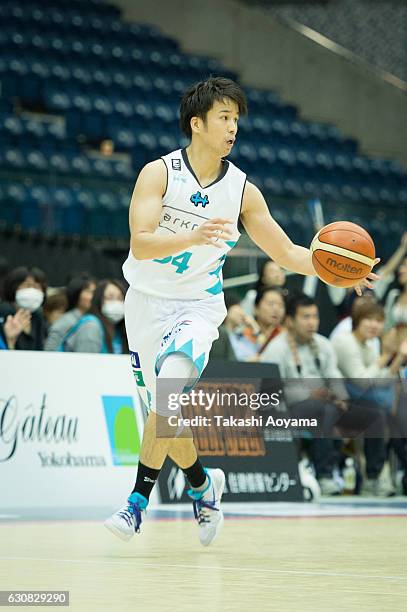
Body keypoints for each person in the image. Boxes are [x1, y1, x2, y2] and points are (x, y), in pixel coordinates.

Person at [104, 77, 377, 543]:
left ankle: (135, 504)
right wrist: (193, 235)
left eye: (236, 119)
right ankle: (203, 484)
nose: (233, 127)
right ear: (197, 123)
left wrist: (337, 269)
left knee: (170, 390)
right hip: (145, 304)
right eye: (224, 118)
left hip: (198, 307)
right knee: (166, 416)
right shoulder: (159, 174)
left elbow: (288, 252)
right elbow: (140, 243)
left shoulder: (243, 191)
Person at [260, 293, 387, 495]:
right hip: (290, 410)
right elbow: (269, 393)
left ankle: (373, 478)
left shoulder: (323, 345)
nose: (312, 322)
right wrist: (308, 393)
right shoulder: (276, 349)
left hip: (326, 404)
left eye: (315, 316)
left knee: (374, 414)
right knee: (323, 409)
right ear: (290, 320)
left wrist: (342, 398)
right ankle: (324, 476)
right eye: (305, 317)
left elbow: (334, 377)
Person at [332, 301, 407, 495]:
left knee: (393, 418)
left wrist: (396, 358)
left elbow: (380, 381)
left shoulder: (367, 345)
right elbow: (363, 381)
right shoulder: (345, 342)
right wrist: (384, 356)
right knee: (380, 415)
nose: (374, 325)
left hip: (359, 402)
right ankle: (373, 479)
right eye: (369, 319)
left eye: (379, 321)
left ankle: (381, 477)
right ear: (357, 320)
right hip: (339, 404)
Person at [61, 279, 128, 354]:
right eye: (110, 297)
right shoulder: (90, 326)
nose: (116, 303)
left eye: (120, 298)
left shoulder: (119, 329)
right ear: (98, 300)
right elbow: (86, 363)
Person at [44, 273, 96, 351]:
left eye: (95, 292)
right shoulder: (66, 321)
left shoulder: (91, 319)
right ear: (76, 293)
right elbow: (49, 351)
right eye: (88, 292)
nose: (93, 296)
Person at [0, 266, 47, 351]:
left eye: (37, 287)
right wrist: (10, 341)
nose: (32, 291)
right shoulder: (4, 312)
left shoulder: (37, 316)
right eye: (27, 285)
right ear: (14, 286)